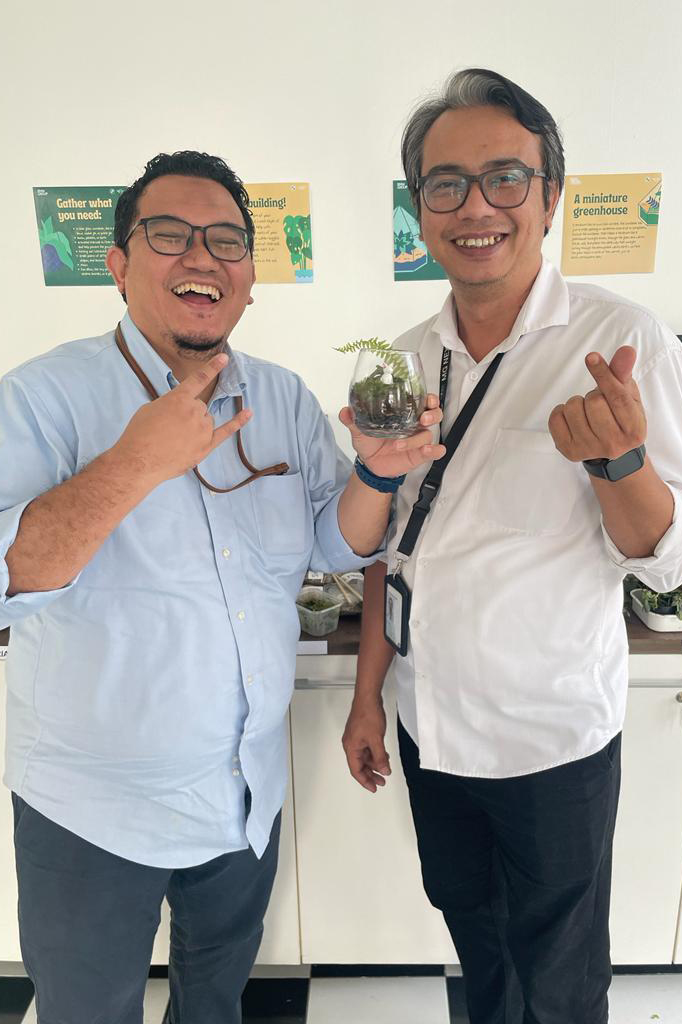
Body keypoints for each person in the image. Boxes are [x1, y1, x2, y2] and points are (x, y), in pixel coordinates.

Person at [0, 150, 445, 1024]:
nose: (202, 256)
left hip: (243, 792)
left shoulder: (277, 396)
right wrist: (134, 463)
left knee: (214, 1000)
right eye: (169, 234)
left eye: (227, 241)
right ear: (119, 264)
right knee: (88, 1011)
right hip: (93, 807)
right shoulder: (42, 397)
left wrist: (378, 478)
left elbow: (331, 536)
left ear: (248, 281)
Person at [342, 69, 682, 1024]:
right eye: (445, 184)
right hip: (432, 730)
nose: (475, 205)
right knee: (476, 951)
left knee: (562, 973)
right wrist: (369, 697)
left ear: (549, 195)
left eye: (505, 177)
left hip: (552, 744)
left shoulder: (620, 340)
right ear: (419, 210)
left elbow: (667, 556)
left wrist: (618, 465)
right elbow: (389, 556)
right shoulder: (404, 360)